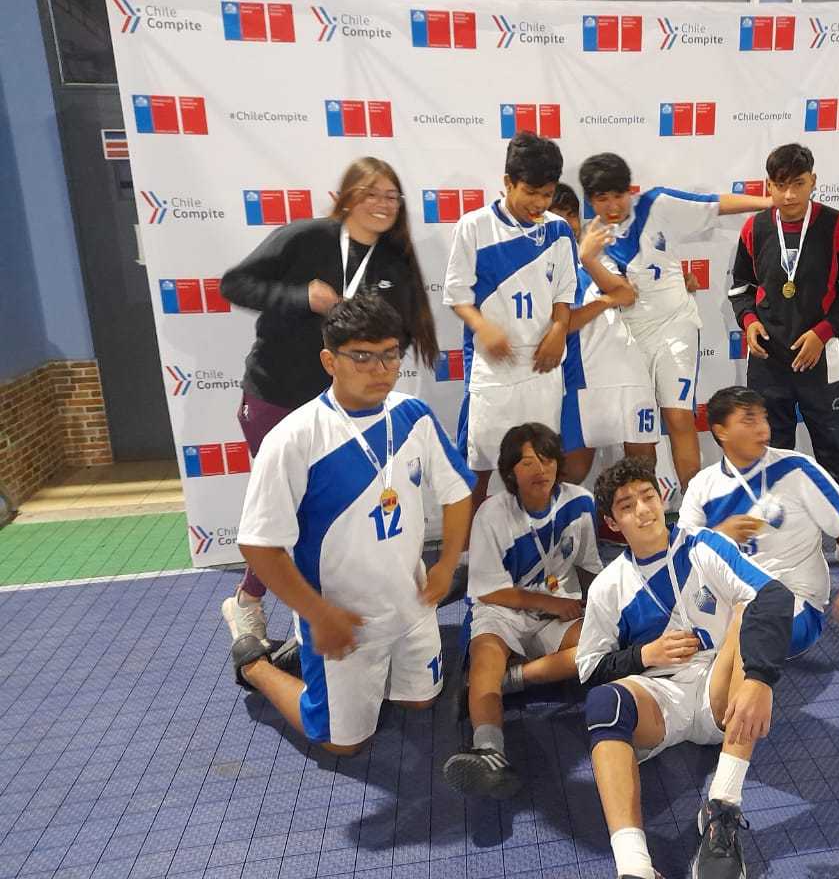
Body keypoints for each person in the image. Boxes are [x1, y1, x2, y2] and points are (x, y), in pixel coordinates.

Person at [229, 294, 473, 754]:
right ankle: (255, 666)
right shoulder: (295, 438)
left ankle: (359, 675)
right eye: (362, 356)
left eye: (390, 355)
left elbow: (458, 491)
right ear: (330, 361)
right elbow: (259, 546)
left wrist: (445, 565)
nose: (380, 369)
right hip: (340, 620)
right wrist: (319, 616)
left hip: (412, 606)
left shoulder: (413, 415)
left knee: (420, 703)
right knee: (341, 745)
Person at [218, 157, 438, 646]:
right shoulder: (307, 237)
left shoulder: (393, 261)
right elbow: (234, 284)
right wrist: (303, 297)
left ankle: (330, 610)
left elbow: (401, 331)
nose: (382, 204)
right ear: (347, 196)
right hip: (278, 395)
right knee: (283, 511)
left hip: (346, 408)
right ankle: (248, 602)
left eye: (391, 196)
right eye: (371, 193)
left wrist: (375, 364)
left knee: (341, 509)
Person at [577, 457, 795, 879]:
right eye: (627, 506)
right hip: (660, 698)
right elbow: (590, 669)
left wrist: (760, 680)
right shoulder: (609, 586)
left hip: (719, 685)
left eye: (648, 496)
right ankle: (634, 865)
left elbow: (774, 596)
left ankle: (721, 810)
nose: (643, 510)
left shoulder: (703, 546)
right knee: (604, 704)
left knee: (747, 608)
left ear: (662, 498)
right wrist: (645, 655)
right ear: (613, 522)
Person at [728, 143, 839, 581]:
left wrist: (822, 333)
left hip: (821, 359)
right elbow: (740, 288)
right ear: (769, 186)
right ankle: (778, 547)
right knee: (772, 455)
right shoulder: (756, 227)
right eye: (780, 185)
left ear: (813, 181)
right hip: (768, 362)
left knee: (832, 454)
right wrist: (749, 323)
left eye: (798, 184)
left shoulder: (837, 225)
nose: (789, 194)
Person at [578, 154, 773, 490]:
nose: (612, 206)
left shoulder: (657, 204)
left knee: (679, 417)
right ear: (590, 200)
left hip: (675, 328)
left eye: (618, 195)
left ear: (630, 191)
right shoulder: (592, 238)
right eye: (601, 198)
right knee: (638, 431)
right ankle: (647, 506)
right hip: (629, 339)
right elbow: (623, 294)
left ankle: (694, 507)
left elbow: (715, 204)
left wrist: (769, 203)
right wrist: (588, 257)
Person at [442, 423, 602, 799]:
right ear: (510, 472)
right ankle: (488, 750)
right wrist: (552, 603)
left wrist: (606, 614)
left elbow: (589, 565)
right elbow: (490, 591)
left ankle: (511, 679)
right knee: (486, 656)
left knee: (599, 645)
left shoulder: (581, 502)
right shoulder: (491, 514)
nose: (540, 470)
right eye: (528, 463)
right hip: (503, 609)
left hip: (558, 609)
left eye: (547, 460)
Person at [678, 386, 839, 654]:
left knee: (742, 638)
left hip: (793, 598)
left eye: (764, 418)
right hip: (728, 596)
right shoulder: (702, 485)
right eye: (749, 420)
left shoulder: (796, 469)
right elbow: (680, 551)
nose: (763, 429)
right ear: (721, 431)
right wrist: (718, 536)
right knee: (673, 626)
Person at [444, 132, 578, 508]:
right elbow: (457, 295)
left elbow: (565, 292)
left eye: (547, 194)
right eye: (531, 192)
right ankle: (470, 544)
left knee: (541, 464)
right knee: (479, 466)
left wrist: (559, 330)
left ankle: (538, 535)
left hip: (543, 367)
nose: (539, 203)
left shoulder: (559, 230)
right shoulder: (474, 226)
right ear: (508, 182)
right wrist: (483, 327)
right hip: (493, 370)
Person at [546, 184, 660, 482]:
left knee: (643, 463)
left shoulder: (594, 256)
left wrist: (588, 259)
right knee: (572, 471)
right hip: (581, 379)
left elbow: (627, 294)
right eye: (557, 216)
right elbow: (563, 324)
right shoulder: (539, 268)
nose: (567, 223)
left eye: (571, 215)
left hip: (628, 371)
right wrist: (606, 302)